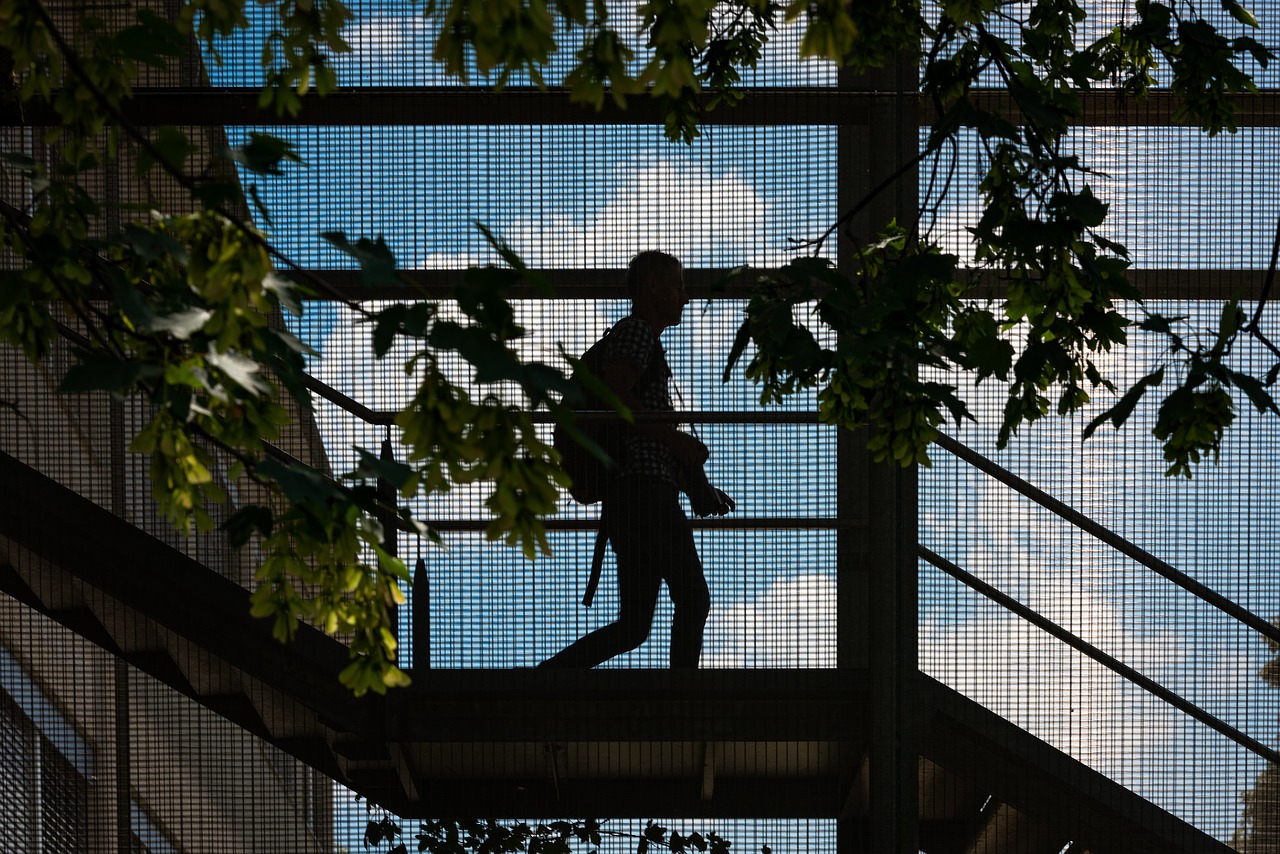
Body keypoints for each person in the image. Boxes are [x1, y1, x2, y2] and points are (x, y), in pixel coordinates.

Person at [540, 251, 734, 669]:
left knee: (634, 625)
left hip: (628, 497)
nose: (684, 297)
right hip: (645, 494)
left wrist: (690, 478)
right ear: (652, 287)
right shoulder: (637, 332)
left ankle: (546, 680)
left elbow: (638, 432)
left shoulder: (642, 341)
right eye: (677, 286)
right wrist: (675, 441)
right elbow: (615, 397)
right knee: (693, 598)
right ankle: (682, 701)